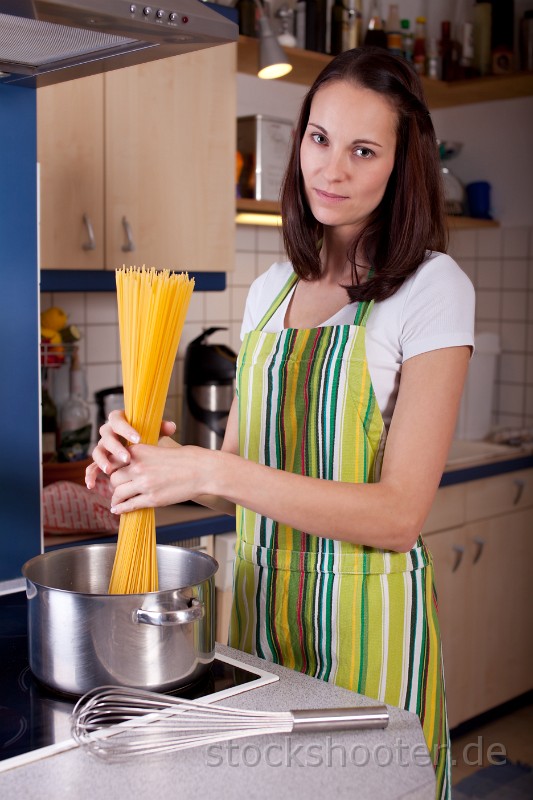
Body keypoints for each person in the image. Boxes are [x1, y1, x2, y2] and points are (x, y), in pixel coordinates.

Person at [87, 47, 475, 799]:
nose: (331, 169)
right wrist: (153, 466)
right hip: (263, 620)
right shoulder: (269, 289)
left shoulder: (432, 287)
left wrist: (207, 467)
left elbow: (398, 515)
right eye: (318, 138)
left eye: (364, 150)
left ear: (401, 164)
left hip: (367, 626)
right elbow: (234, 483)